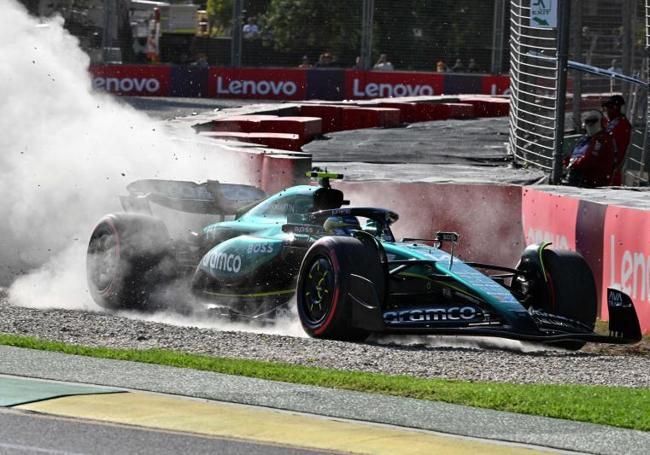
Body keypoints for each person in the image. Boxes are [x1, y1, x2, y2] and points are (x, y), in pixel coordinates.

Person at [564, 111, 615, 188]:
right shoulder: (585, 139)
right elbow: (571, 156)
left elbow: (589, 160)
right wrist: (565, 163)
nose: (590, 124)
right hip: (581, 178)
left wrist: (572, 164)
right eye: (588, 121)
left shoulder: (601, 139)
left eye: (593, 121)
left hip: (592, 182)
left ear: (601, 122)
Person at [602, 95, 632, 186]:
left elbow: (615, 145)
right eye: (607, 108)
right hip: (606, 165)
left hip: (612, 168)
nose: (608, 111)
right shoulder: (609, 123)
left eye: (612, 107)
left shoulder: (623, 124)